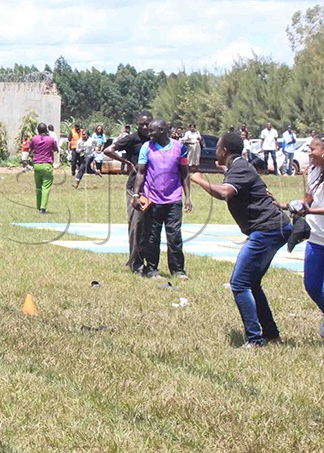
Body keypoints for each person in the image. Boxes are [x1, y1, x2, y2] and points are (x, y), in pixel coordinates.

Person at [191, 133, 292, 347]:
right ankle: (271, 335)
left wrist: (200, 180)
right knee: (252, 283)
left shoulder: (239, 168)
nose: (215, 152)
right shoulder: (238, 166)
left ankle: (255, 340)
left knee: (239, 283)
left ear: (224, 151)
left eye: (218, 148)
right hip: (274, 228)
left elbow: (224, 192)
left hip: (268, 230)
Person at [133, 118, 192, 279]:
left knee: (174, 236)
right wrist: (136, 194)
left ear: (163, 131)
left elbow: (185, 173)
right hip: (153, 199)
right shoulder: (146, 148)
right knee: (152, 236)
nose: (149, 133)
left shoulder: (180, 148)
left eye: (152, 130)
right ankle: (152, 269)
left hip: (174, 199)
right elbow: (141, 173)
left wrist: (188, 197)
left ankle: (178, 270)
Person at [104, 112, 153, 273]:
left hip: (153, 186)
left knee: (149, 226)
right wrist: (126, 162)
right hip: (135, 186)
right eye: (141, 124)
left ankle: (143, 259)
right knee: (136, 223)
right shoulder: (132, 139)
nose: (145, 127)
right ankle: (134, 262)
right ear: (137, 125)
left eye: (147, 124)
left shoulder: (155, 139)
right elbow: (108, 150)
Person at [289, 133, 324, 337]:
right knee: (311, 286)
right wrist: (294, 206)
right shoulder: (313, 172)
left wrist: (308, 211)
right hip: (316, 238)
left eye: (312, 149)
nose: (309, 153)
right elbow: (307, 201)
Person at [30, 123, 57, 213]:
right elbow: (55, 149)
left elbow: (31, 149)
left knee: (38, 187)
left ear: (38, 130)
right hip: (47, 165)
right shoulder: (50, 139)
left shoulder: (34, 139)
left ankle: (38, 206)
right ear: (46, 130)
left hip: (37, 165)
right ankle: (43, 208)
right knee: (46, 187)